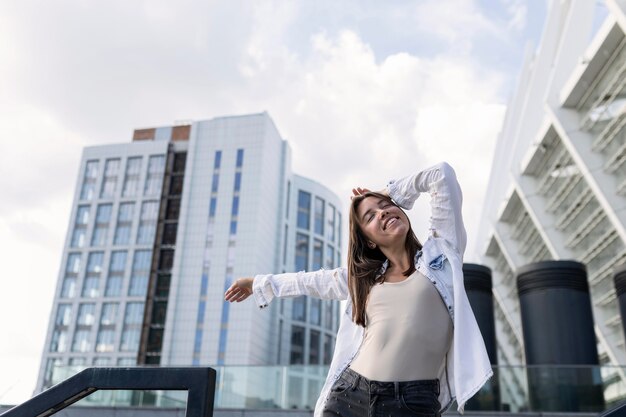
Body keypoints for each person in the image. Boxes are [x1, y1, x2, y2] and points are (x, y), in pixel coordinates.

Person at [224, 162, 493, 417]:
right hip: (350, 395)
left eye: (386, 206)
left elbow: (441, 174)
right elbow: (309, 281)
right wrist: (257, 283)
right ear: (370, 242)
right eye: (371, 216)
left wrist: (386, 192)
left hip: (413, 402)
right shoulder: (365, 280)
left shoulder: (443, 253)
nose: (383, 212)